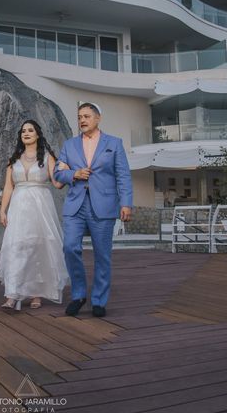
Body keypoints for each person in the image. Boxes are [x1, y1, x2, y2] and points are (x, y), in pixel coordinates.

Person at [54, 103, 133, 318]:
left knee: (102, 255)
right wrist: (73, 174)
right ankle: (79, 295)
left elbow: (123, 176)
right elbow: (57, 174)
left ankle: (99, 300)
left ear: (98, 118)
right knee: (70, 247)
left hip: (104, 206)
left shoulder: (114, 144)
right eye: (79, 116)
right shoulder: (69, 145)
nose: (82, 120)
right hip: (75, 206)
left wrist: (126, 203)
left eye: (87, 116)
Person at [0, 120, 69, 310]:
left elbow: (57, 183)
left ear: (38, 134)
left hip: (40, 207)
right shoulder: (13, 160)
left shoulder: (47, 157)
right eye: (23, 131)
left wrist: (68, 172)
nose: (26, 133)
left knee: (39, 247)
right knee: (16, 247)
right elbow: (8, 187)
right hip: (19, 207)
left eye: (30, 130)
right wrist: (2, 210)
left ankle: (37, 294)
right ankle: (12, 294)